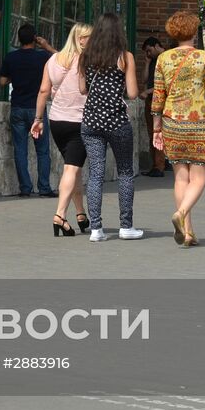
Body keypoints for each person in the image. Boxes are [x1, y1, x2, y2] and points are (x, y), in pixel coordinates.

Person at [150, 11, 205, 249]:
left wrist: (156, 129)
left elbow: (158, 95)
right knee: (200, 177)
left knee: (181, 177)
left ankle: (188, 232)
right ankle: (181, 213)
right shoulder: (204, 58)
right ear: (194, 32)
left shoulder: (163, 58)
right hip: (197, 122)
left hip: (172, 122)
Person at [79, 13, 143, 241]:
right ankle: (126, 226)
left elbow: (82, 90)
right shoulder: (125, 57)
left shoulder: (86, 57)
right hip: (116, 121)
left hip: (90, 122)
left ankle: (96, 229)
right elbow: (133, 93)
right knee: (125, 172)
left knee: (95, 174)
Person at [31, 23, 93, 237]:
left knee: (73, 166)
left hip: (56, 120)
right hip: (79, 120)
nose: (92, 41)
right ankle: (59, 215)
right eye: (89, 37)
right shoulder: (85, 60)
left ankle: (80, 213)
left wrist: (38, 119)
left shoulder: (53, 60)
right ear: (80, 39)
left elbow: (43, 91)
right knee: (71, 168)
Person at [0, 24, 57, 197]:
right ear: (34, 39)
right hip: (36, 109)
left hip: (17, 107)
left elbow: (2, 82)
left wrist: (16, 77)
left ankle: (25, 188)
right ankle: (44, 187)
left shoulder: (11, 57)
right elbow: (62, 59)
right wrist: (46, 45)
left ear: (18, 39)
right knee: (42, 150)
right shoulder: (43, 57)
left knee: (20, 149)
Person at [139, 36, 168, 177]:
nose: (148, 54)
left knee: (158, 133)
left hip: (160, 101)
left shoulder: (165, 59)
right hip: (150, 100)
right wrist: (146, 63)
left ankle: (159, 165)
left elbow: (164, 83)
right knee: (152, 133)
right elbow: (144, 80)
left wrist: (147, 91)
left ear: (156, 46)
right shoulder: (152, 60)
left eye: (149, 51)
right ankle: (156, 164)